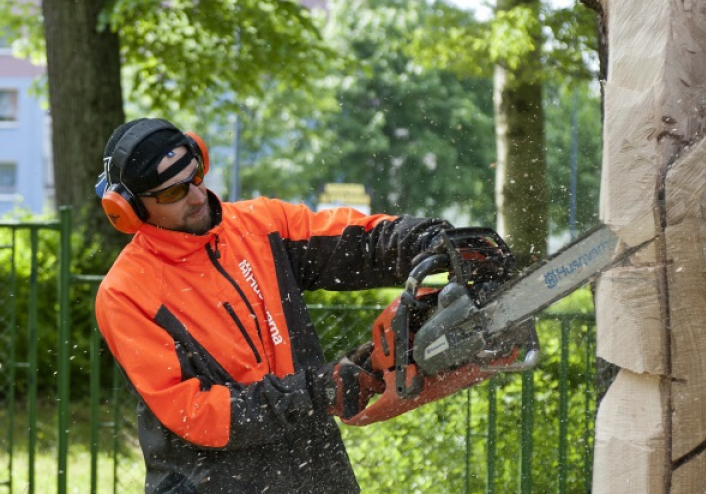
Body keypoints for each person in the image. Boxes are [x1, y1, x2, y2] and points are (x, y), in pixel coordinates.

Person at [94, 117, 453, 494]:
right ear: (131, 209)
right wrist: (315, 392)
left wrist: (430, 240)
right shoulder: (127, 293)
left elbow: (357, 243)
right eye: (173, 194)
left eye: (196, 176)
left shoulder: (260, 225)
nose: (197, 196)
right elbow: (195, 413)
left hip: (317, 473)